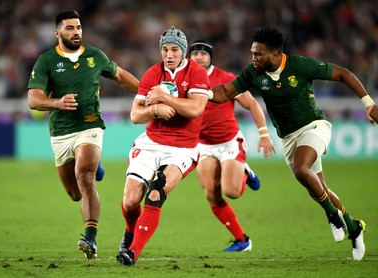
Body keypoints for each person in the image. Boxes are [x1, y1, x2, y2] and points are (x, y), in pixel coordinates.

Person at [211, 25, 378, 261]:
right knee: (320, 188)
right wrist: (203, 95)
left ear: (275, 54)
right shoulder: (252, 72)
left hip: (314, 126)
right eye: (252, 52)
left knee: (302, 169)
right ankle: (353, 227)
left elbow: (343, 74)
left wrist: (368, 103)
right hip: (288, 138)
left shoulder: (300, 65)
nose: (253, 58)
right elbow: (225, 92)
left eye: (258, 53)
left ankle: (332, 217)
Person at [27, 10, 139, 260]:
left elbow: (120, 76)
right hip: (60, 133)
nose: (76, 32)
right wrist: (57, 103)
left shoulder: (94, 56)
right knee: (75, 193)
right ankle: (92, 167)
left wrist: (146, 92)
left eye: (78, 27)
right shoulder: (45, 61)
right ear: (57, 33)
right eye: (69, 28)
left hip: (90, 126)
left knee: (85, 177)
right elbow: (33, 100)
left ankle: (90, 238)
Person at [115, 27, 210, 266]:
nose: (169, 54)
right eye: (165, 49)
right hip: (151, 143)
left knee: (156, 192)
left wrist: (164, 97)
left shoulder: (197, 73)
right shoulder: (152, 74)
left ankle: (132, 252)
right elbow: (135, 116)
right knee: (130, 201)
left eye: (174, 49)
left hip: (183, 148)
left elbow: (196, 109)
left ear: (183, 51)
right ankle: (130, 232)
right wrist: (154, 110)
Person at [189, 40, 276, 252]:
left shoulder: (225, 78)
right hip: (203, 145)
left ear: (211, 57)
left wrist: (264, 134)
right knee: (211, 193)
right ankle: (242, 240)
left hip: (228, 142)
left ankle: (245, 171)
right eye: (195, 54)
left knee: (232, 192)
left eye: (203, 53)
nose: (199, 57)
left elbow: (252, 105)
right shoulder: (186, 80)